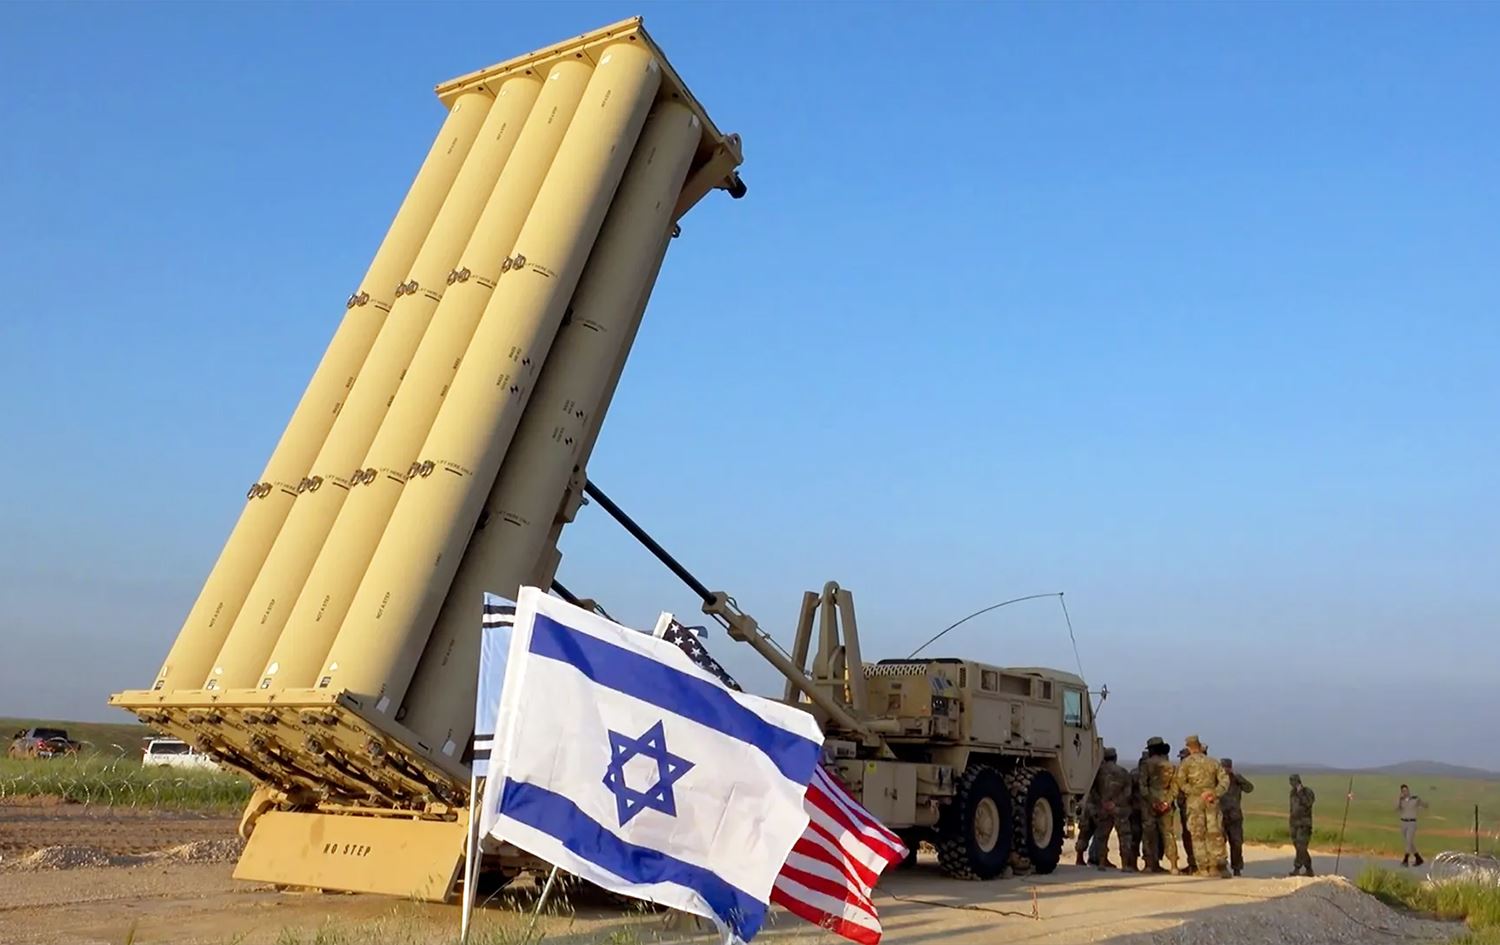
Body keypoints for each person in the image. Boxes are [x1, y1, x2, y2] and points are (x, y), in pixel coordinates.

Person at [1176, 735, 1230, 877]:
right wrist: (1214, 793)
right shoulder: (1213, 762)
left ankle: (1203, 868)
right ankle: (1217, 866)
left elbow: (1180, 782)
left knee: (1197, 835)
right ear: (1200, 746)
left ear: (1189, 747)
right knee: (1215, 833)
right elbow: (1224, 780)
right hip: (1211, 801)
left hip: (1195, 802)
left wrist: (1195, 792)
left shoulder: (1185, 763)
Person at [1141, 736, 1182, 874]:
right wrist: (1166, 802)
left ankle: (1149, 865)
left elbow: (1143, 786)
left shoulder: (1146, 764)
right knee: (1168, 834)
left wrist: (1153, 802)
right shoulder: (1171, 766)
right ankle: (1174, 865)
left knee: (1149, 834)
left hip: (1149, 804)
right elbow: (1175, 787)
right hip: (1166, 804)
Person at [1089, 747, 1134, 870]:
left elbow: (1092, 791)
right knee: (1124, 836)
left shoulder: (1097, 773)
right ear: (1115, 757)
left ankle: (1101, 863)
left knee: (1102, 837)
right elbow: (1128, 792)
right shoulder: (1123, 772)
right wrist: (1115, 803)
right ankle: (1125, 865)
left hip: (1103, 809)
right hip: (1119, 809)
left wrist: (1103, 803)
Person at [1220, 758, 1254, 876]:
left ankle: (1237, 868)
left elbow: (1249, 788)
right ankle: (1222, 866)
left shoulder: (1236, 779)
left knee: (1236, 843)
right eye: (1223, 768)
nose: (1225, 770)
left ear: (1230, 768)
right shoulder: (1217, 780)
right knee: (1220, 843)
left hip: (1235, 816)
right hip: (1221, 816)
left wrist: (1239, 778)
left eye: (1227, 767)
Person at [1289, 773, 1316, 876]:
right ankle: (1309, 869)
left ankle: (1297, 867)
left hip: (1304, 824)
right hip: (1294, 823)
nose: (1291, 783)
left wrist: (1300, 793)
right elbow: (1292, 808)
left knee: (1301, 846)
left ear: (1298, 781)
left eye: (1293, 781)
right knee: (1298, 847)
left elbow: (1308, 803)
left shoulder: (1307, 792)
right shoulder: (1292, 793)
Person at [1176, 747, 1198, 873]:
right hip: (1185, 808)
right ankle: (1192, 863)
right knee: (1187, 836)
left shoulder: (1196, 771)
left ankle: (1198, 864)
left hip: (1194, 807)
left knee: (1195, 836)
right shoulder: (1181, 771)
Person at [1397, 784, 1428, 867]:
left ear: (1408, 790)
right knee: (1409, 843)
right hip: (1403, 823)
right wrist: (1399, 800)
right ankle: (1418, 858)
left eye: (1406, 790)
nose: (1405, 792)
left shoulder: (1415, 799)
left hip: (1411, 823)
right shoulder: (1402, 800)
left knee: (1408, 841)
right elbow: (1398, 809)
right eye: (1403, 791)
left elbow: (1423, 804)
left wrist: (1424, 805)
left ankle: (1405, 860)